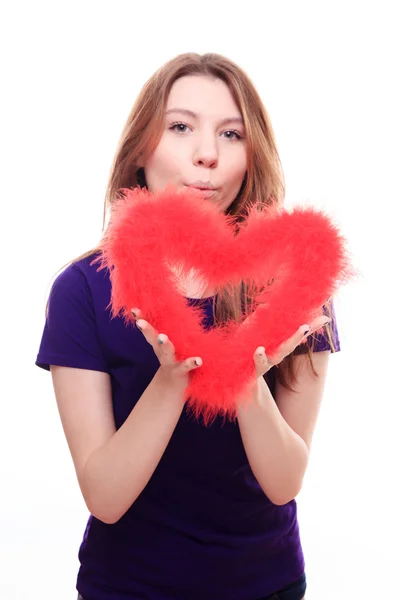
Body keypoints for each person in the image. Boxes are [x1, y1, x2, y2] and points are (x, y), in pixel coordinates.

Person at [36, 52, 341, 600]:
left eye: (231, 133)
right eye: (180, 127)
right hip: (127, 588)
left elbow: (284, 483)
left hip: (266, 585)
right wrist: (173, 377)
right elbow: (104, 496)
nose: (207, 155)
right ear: (141, 148)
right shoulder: (82, 290)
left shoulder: (295, 281)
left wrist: (243, 381)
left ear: (253, 155)